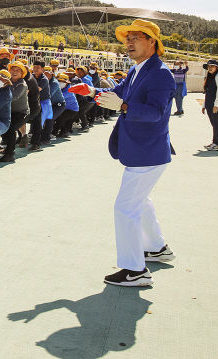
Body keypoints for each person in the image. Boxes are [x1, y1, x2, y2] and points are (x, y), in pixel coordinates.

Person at [73, 19, 176, 287]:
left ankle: (135, 270)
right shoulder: (137, 70)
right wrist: (94, 91)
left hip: (148, 151)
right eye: (127, 38)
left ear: (152, 41)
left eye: (135, 38)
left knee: (125, 207)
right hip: (143, 151)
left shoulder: (160, 74)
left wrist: (124, 107)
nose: (128, 43)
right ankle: (157, 247)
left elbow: (156, 112)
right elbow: (117, 94)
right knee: (140, 201)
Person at [0, 61, 29, 162]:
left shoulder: (22, 84)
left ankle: (10, 153)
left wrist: (7, 86)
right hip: (9, 111)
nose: (15, 72)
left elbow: (14, 97)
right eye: (13, 69)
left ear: (22, 74)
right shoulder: (6, 80)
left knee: (11, 129)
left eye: (18, 70)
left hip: (22, 113)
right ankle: (8, 147)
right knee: (2, 127)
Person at [202, 60, 218, 151]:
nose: (210, 68)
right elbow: (207, 92)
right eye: (209, 66)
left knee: (217, 124)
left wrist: (216, 105)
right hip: (209, 104)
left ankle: (217, 144)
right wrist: (204, 105)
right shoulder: (209, 77)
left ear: (216, 68)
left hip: (216, 104)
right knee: (214, 124)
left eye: (212, 66)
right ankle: (214, 142)